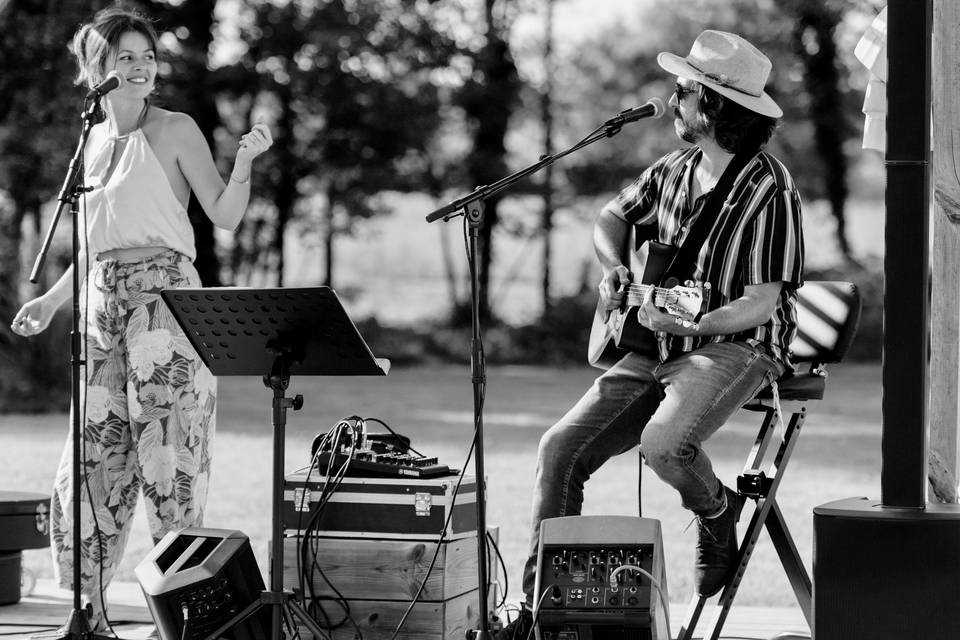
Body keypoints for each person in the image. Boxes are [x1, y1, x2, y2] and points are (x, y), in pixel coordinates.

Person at [498, 30, 804, 638]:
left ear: (712, 107)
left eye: (683, 92)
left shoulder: (772, 191)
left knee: (664, 443)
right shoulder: (673, 168)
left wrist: (694, 322)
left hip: (735, 346)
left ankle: (715, 512)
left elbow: (762, 303)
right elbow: (611, 216)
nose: (672, 101)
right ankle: (538, 616)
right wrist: (614, 266)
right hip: (653, 346)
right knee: (559, 451)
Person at [9, 6, 272, 633]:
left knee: (167, 458)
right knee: (94, 460)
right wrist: (49, 303)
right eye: (123, 57)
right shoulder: (91, 144)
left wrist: (244, 163)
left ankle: (175, 617)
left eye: (146, 56)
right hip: (101, 306)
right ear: (95, 69)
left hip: (165, 306)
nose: (139, 67)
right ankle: (89, 612)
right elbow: (93, 245)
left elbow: (225, 216)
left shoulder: (177, 129)